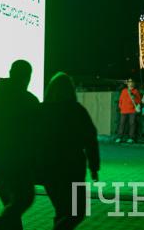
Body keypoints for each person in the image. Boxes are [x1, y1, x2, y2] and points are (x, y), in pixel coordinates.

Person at [0, 60, 40, 230]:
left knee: (12, 208)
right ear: (27, 77)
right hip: (18, 163)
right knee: (24, 199)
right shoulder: (27, 100)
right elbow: (36, 135)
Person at [39, 73, 100, 230]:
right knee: (76, 212)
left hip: (47, 168)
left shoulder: (41, 110)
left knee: (61, 210)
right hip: (72, 167)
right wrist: (93, 167)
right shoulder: (77, 110)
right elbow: (91, 140)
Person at [115, 78, 141, 143]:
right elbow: (120, 100)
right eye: (129, 82)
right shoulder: (124, 91)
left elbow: (139, 101)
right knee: (122, 124)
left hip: (132, 111)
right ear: (127, 84)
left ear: (134, 84)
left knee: (132, 124)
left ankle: (131, 138)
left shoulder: (136, 91)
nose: (130, 83)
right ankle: (119, 137)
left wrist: (134, 98)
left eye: (132, 82)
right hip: (123, 110)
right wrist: (120, 106)